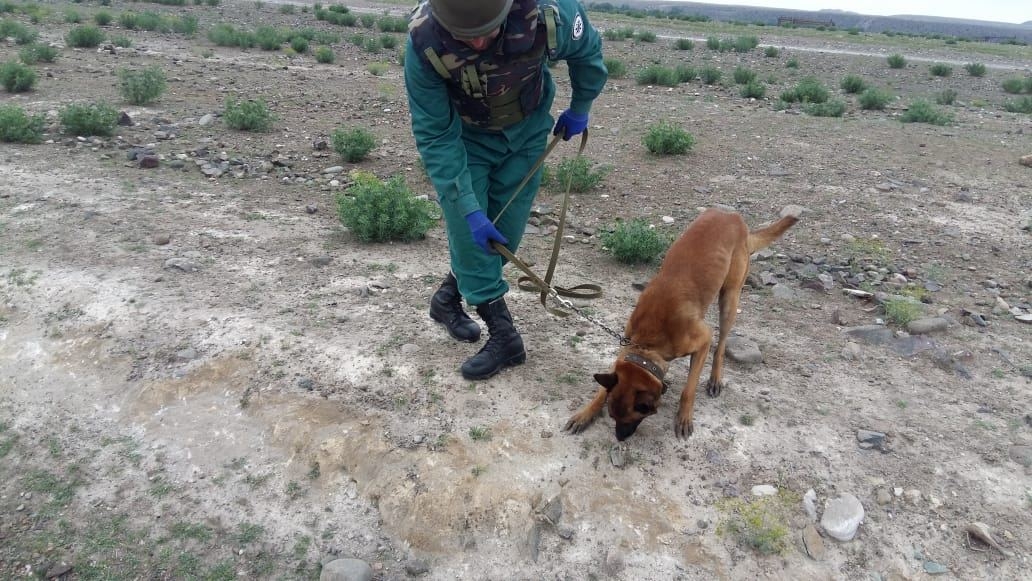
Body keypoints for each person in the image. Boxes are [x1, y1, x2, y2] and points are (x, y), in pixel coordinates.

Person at [404, 0, 607, 381]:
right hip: (465, 141)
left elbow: (588, 50)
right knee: (472, 232)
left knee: (505, 233)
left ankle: (446, 299)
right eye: (466, 37)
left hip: (527, 132)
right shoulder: (424, 42)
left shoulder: (551, 14)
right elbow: (434, 134)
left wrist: (581, 105)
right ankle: (505, 336)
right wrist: (466, 205)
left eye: (487, 32)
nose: (478, 43)